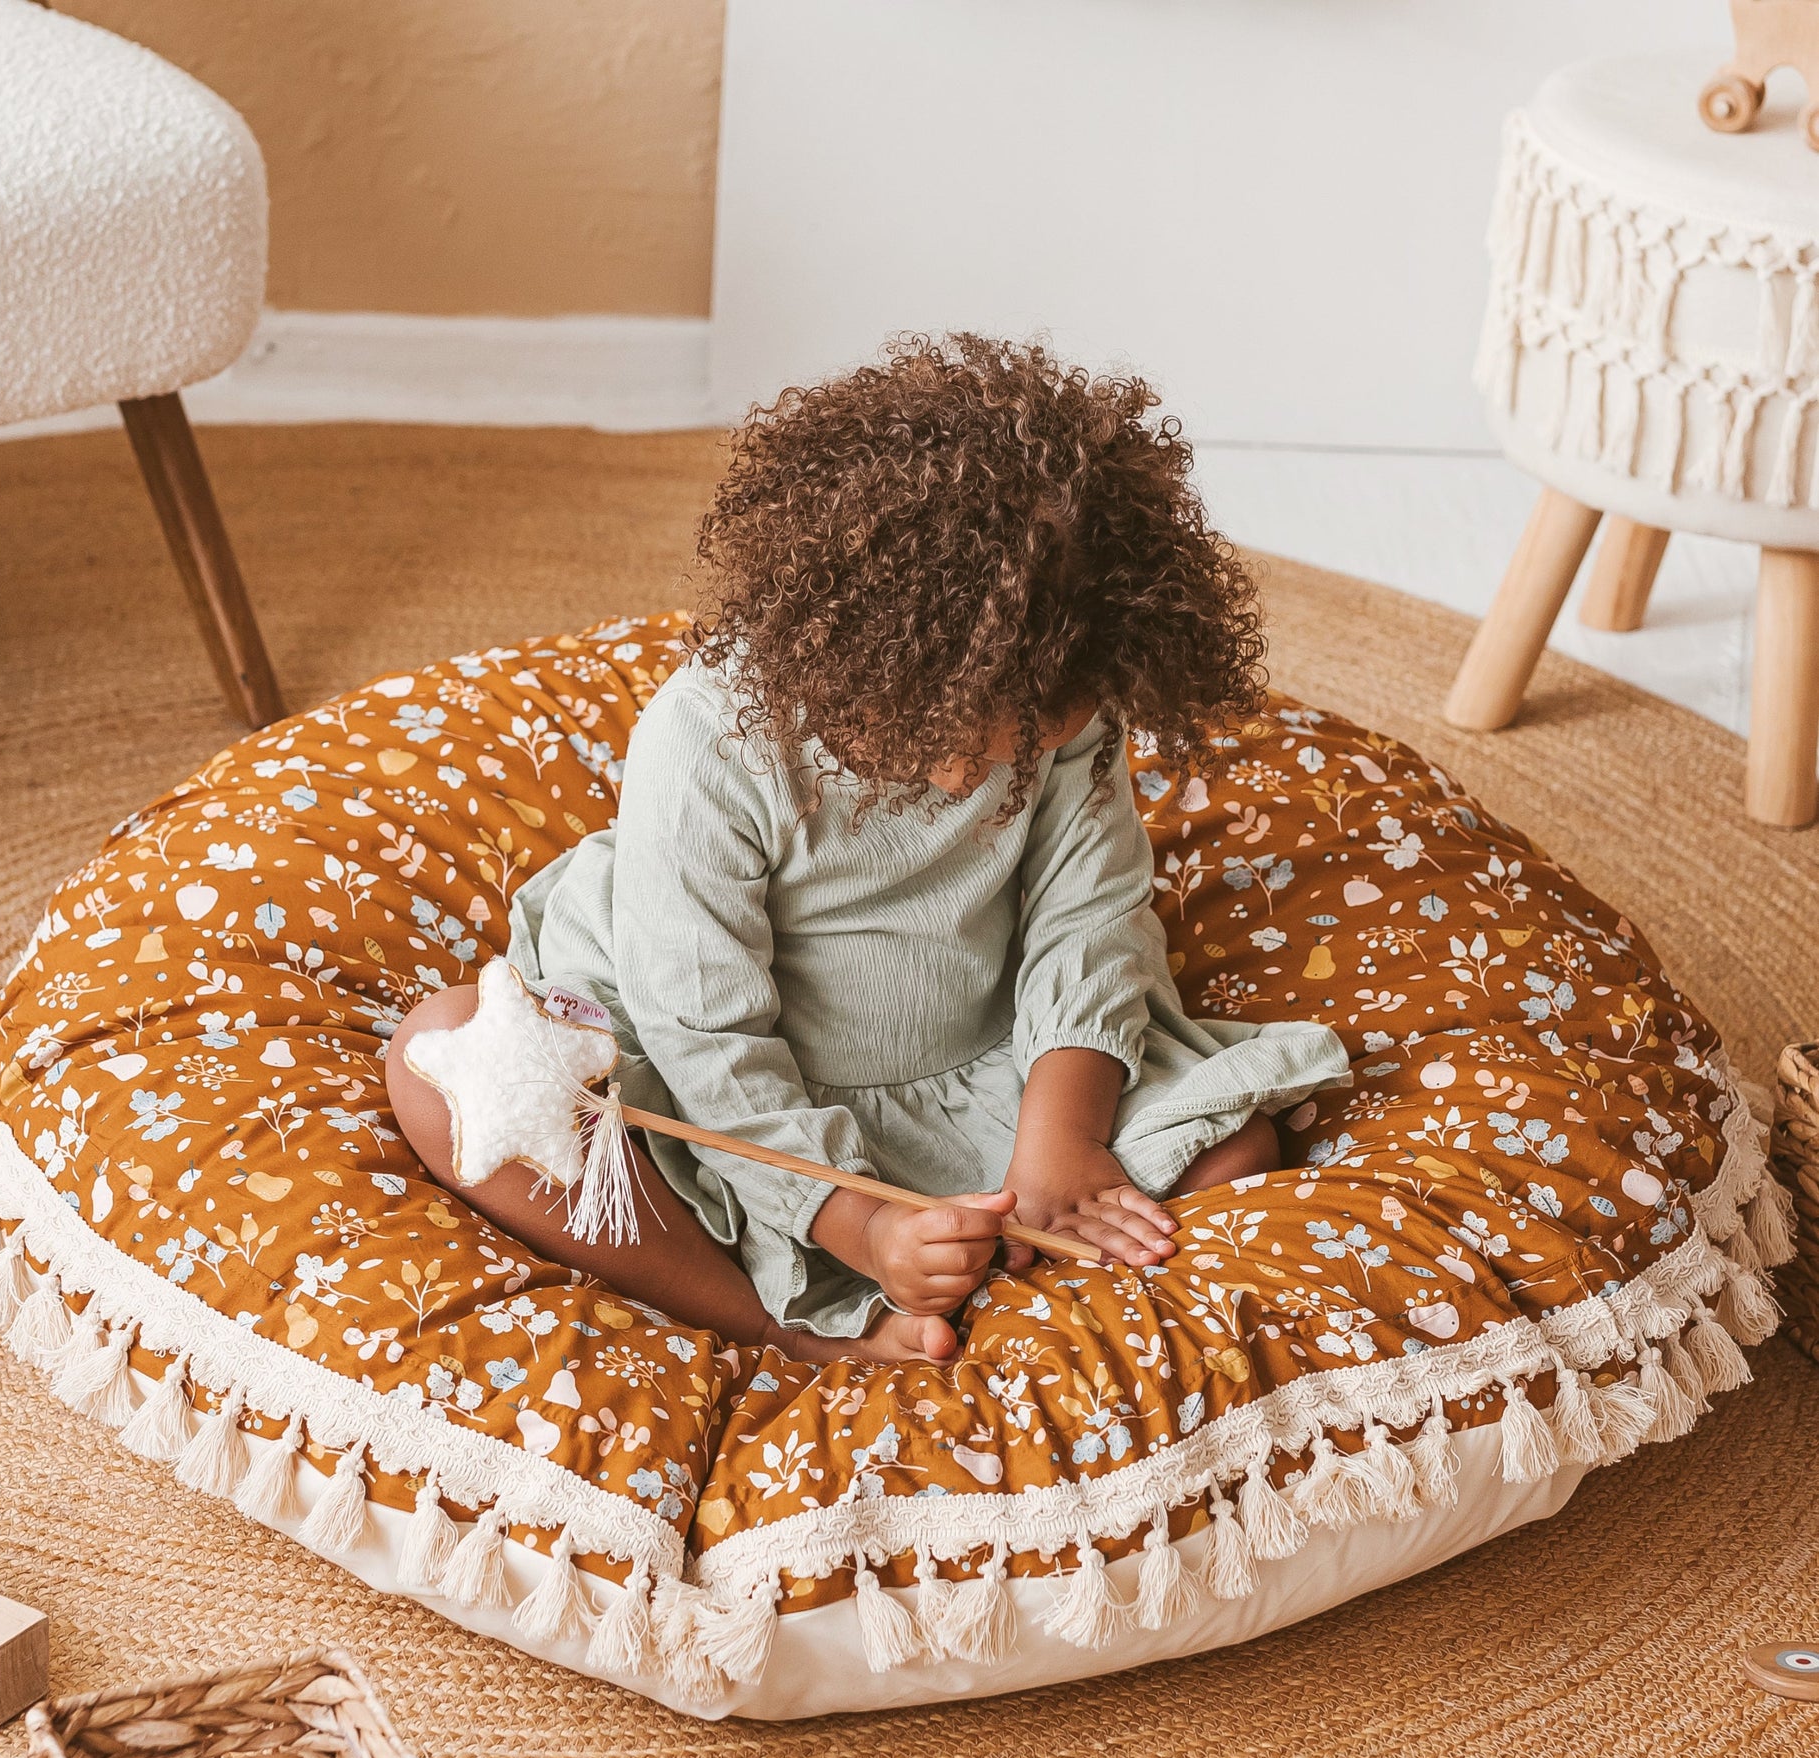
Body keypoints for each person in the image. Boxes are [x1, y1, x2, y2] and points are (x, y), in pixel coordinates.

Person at [386, 336, 1350, 1363]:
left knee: (1237, 1145)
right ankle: (770, 1321)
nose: (963, 784)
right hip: (719, 1082)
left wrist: (1057, 1140)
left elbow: (1089, 920)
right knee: (442, 1070)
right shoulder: (710, 737)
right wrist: (860, 1223)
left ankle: (983, 1254)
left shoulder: (1076, 708)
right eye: (945, 743)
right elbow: (704, 1033)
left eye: (1025, 745)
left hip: (976, 1059)